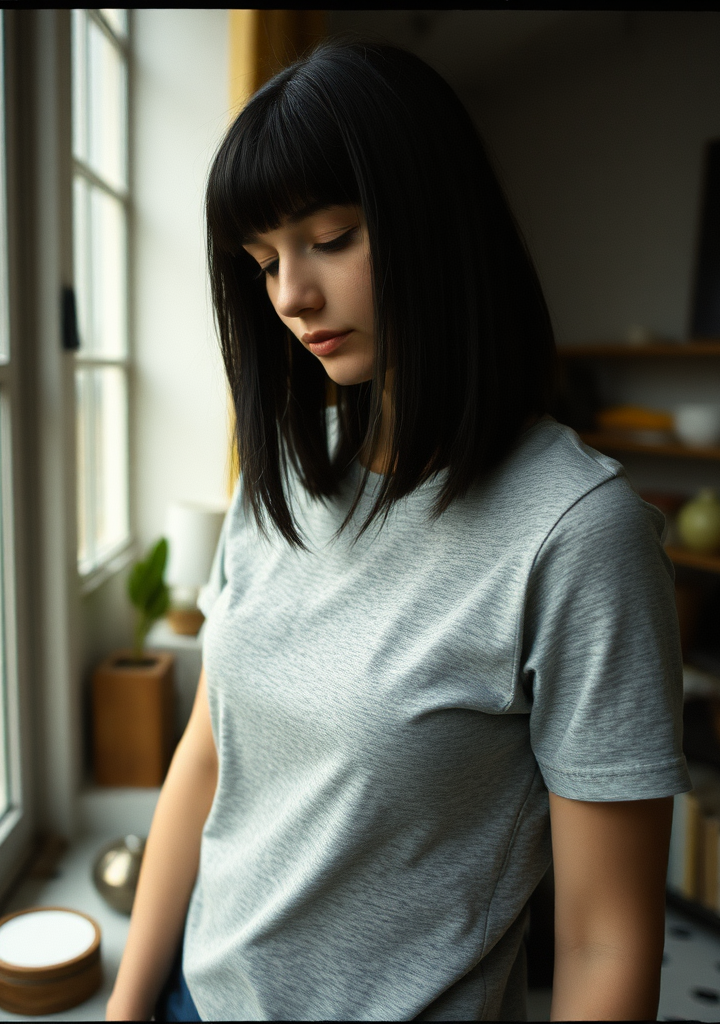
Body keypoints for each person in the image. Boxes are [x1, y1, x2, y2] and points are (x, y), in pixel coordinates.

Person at [107, 38, 690, 1022]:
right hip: (195, 1001)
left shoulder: (575, 535)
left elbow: (604, 940)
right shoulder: (279, 476)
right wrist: (127, 1008)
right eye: (261, 262)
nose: (289, 296)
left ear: (437, 223)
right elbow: (207, 759)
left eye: (329, 237)